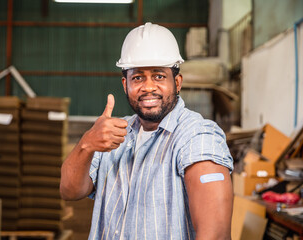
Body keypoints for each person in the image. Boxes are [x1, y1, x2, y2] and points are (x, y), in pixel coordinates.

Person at [60, 22, 234, 240]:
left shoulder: (196, 137)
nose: (149, 87)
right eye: (138, 77)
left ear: (177, 82)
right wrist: (87, 144)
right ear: (125, 85)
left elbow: (215, 235)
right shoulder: (113, 134)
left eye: (159, 76)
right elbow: (69, 191)